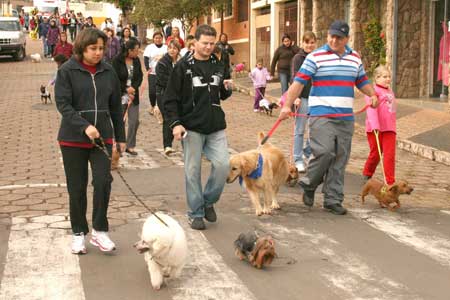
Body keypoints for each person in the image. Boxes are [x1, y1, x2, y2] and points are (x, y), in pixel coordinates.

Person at [279, 20, 379, 215]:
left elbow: (362, 81)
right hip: (321, 114)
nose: (334, 40)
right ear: (327, 36)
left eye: (339, 37)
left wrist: (373, 94)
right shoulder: (315, 57)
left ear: (347, 39)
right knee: (324, 152)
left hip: (345, 117)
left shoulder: (355, 58)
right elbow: (298, 83)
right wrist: (287, 105)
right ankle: (309, 184)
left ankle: (332, 199)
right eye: (331, 36)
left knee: (340, 159)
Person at [55, 28, 126, 254]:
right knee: (76, 188)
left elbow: (115, 106)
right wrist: (84, 126)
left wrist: (120, 137)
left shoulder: (109, 71)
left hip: (101, 139)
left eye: (101, 49)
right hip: (72, 139)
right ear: (82, 48)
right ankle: (78, 233)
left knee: (104, 181)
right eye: (93, 48)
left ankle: (100, 231)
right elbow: (63, 105)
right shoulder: (67, 70)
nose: (98, 53)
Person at [162, 24, 233, 230]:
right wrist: (175, 124)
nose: (209, 47)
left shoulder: (219, 64)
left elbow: (220, 92)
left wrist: (227, 89)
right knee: (192, 171)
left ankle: (208, 201)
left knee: (222, 165)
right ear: (194, 43)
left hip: (215, 125)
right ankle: (195, 213)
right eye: (205, 43)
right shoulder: (182, 67)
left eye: (212, 43)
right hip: (191, 127)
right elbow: (170, 99)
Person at [362, 65, 397, 185]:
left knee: (389, 155)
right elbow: (371, 110)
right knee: (376, 153)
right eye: (384, 77)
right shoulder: (372, 91)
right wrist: (375, 126)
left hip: (389, 128)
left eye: (389, 77)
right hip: (375, 128)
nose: (388, 79)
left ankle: (390, 182)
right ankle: (367, 172)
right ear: (376, 78)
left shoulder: (390, 91)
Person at [289, 31, 317, 173]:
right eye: (307, 42)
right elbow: (295, 78)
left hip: (316, 99)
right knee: (299, 130)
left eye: (312, 42)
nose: (309, 45)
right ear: (302, 43)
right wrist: (296, 97)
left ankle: (307, 153)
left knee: (316, 130)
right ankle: (298, 159)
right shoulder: (298, 58)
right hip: (303, 98)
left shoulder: (319, 58)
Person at [112, 38, 143, 156]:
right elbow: (114, 78)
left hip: (133, 96)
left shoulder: (136, 61)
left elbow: (139, 76)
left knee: (134, 121)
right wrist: (125, 88)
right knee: (119, 121)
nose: (137, 52)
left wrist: (133, 88)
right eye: (135, 50)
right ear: (129, 50)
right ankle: (117, 146)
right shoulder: (117, 60)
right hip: (120, 94)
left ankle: (130, 145)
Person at [155, 39, 181, 156]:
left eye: (174, 48)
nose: (172, 50)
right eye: (170, 48)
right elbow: (162, 80)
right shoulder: (162, 63)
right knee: (168, 117)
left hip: (179, 94)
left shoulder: (181, 62)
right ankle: (167, 145)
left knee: (179, 117)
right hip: (163, 94)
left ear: (178, 50)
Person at [143, 31, 167, 114]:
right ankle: (152, 106)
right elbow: (146, 58)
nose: (158, 39)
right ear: (153, 39)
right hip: (152, 72)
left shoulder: (166, 47)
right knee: (152, 91)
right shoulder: (149, 47)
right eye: (156, 38)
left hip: (163, 73)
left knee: (162, 91)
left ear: (162, 38)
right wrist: (147, 68)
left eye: (159, 38)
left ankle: (161, 107)